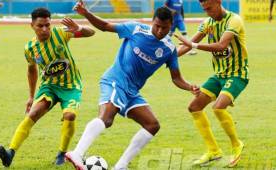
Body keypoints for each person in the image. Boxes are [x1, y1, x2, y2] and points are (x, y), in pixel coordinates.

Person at [64, 1, 200, 170]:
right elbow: (105, 26)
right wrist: (86, 13)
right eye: (157, 26)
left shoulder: (168, 49)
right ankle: (77, 153)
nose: (159, 30)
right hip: (115, 80)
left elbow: (176, 78)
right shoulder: (136, 29)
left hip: (132, 91)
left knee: (152, 125)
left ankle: (121, 166)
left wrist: (190, 87)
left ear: (171, 26)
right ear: (152, 21)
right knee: (106, 119)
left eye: (164, 28)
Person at [0, 7, 95, 167]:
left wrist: (79, 29)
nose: (45, 29)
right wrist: (31, 96)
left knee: (69, 116)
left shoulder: (61, 33)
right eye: (40, 26)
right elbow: (31, 71)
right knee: (32, 114)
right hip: (49, 87)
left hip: (71, 86)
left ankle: (62, 154)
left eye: (47, 25)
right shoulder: (30, 48)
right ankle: (10, 153)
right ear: (32, 26)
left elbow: (91, 33)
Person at [176, 0, 249, 167]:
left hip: (237, 74)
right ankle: (214, 151)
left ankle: (237, 144)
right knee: (194, 107)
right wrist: (167, 57)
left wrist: (193, 45)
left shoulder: (234, 20)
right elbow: (186, 47)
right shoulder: (207, 23)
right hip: (219, 75)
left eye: (209, 8)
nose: (207, 12)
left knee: (218, 107)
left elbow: (221, 45)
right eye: (204, 9)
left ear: (218, 2)